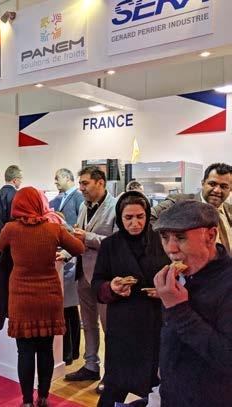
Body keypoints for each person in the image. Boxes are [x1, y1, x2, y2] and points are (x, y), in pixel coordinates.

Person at [0, 187, 85, 407]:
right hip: (49, 297)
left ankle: (27, 401)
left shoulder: (10, 229)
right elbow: (78, 247)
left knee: (25, 352)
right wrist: (66, 241)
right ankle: (44, 397)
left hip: (21, 299)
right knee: (46, 350)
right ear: (40, 203)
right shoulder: (53, 228)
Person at [92, 191, 169, 407]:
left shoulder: (162, 240)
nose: (135, 223)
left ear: (147, 215)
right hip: (123, 326)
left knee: (154, 386)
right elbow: (97, 285)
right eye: (128, 218)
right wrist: (112, 287)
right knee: (116, 384)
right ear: (120, 218)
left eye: (140, 216)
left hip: (156, 323)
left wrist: (165, 292)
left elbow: (178, 276)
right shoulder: (110, 245)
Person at [153, 200, 232, 407]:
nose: (170, 249)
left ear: (211, 236)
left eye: (180, 237)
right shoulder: (182, 275)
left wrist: (178, 309)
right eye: (164, 237)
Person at [62, 166, 117, 388]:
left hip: (105, 276)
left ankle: (112, 373)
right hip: (82, 274)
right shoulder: (85, 206)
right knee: (88, 324)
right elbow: (79, 238)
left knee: (108, 326)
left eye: (85, 183)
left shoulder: (116, 207)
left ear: (100, 182)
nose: (81, 188)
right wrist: (66, 253)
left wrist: (88, 237)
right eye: (80, 183)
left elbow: (117, 243)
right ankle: (91, 365)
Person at [151, 162, 232, 254]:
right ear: (203, 183)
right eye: (212, 184)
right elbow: (149, 216)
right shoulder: (180, 202)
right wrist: (169, 241)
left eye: (224, 186)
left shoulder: (229, 210)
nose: (217, 190)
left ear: (230, 189)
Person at [50, 168, 84, 366]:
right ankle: (68, 352)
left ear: (67, 178)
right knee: (66, 307)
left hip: (72, 256)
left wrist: (65, 228)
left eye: (57, 178)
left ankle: (72, 352)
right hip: (61, 258)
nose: (55, 181)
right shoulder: (56, 200)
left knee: (70, 307)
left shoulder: (79, 199)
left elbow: (81, 229)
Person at [0, 165, 22, 233]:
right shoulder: (20, 196)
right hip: (13, 236)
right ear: (15, 180)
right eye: (20, 179)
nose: (21, 181)